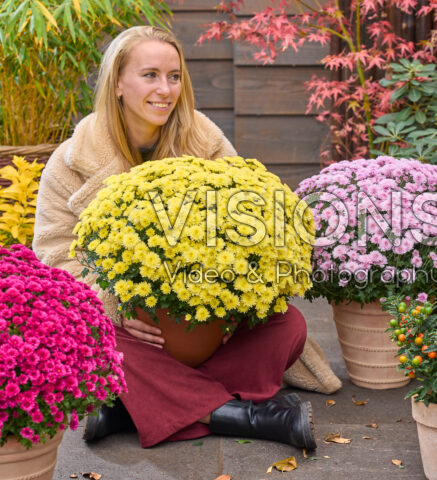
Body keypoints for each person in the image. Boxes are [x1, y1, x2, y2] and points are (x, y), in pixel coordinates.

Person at [32, 26, 341, 450]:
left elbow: (254, 225)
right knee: (100, 339)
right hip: (137, 331)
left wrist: (235, 303)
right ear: (117, 83)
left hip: (214, 323)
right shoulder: (69, 163)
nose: (165, 89)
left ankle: (131, 407)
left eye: (174, 76)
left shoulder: (206, 142)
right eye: (150, 75)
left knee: (289, 326)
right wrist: (118, 309)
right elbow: (54, 257)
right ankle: (244, 415)